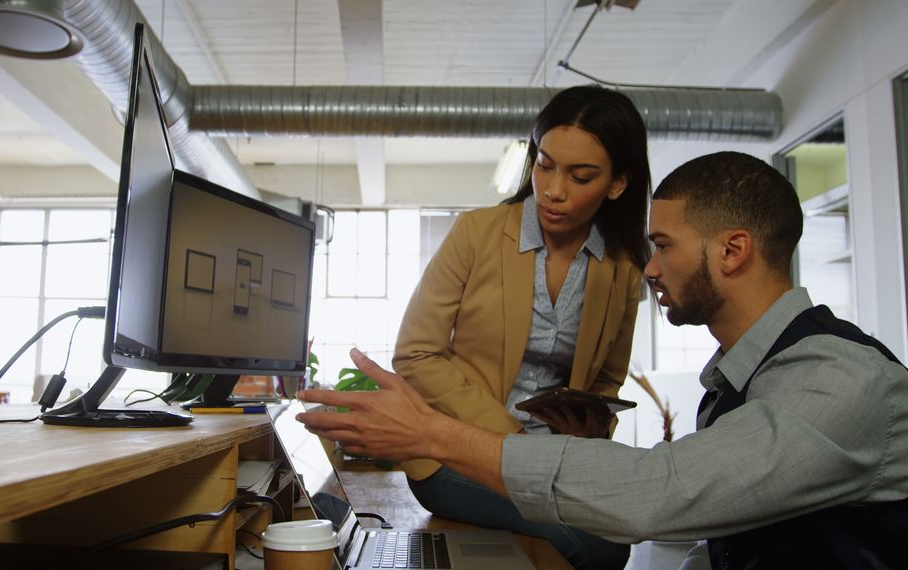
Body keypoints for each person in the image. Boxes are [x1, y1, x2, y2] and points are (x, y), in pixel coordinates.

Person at [298, 152, 908, 569]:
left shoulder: (838, 381)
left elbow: (660, 493)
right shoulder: (745, 379)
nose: (648, 267)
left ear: (733, 250)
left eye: (663, 246)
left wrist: (433, 432)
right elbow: (726, 547)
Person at [391, 84, 650, 569]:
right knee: (604, 544)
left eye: (581, 176)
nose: (553, 189)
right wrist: (509, 439)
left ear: (617, 184)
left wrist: (589, 429)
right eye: (545, 163)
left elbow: (605, 382)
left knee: (624, 523)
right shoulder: (476, 233)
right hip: (457, 451)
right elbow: (415, 354)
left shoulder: (623, 267)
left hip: (558, 460)